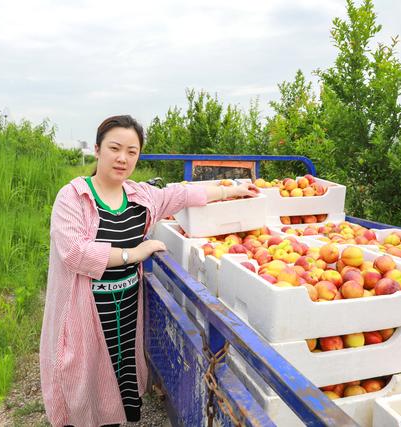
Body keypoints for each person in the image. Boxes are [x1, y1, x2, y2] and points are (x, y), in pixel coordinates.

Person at [40, 115, 258, 427]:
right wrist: (134, 253)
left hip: (127, 307)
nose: (122, 158)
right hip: (86, 310)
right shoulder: (74, 197)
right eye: (115, 148)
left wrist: (232, 190)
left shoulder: (140, 195)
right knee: (84, 379)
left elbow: (181, 194)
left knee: (119, 375)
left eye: (132, 151)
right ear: (98, 149)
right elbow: (75, 253)